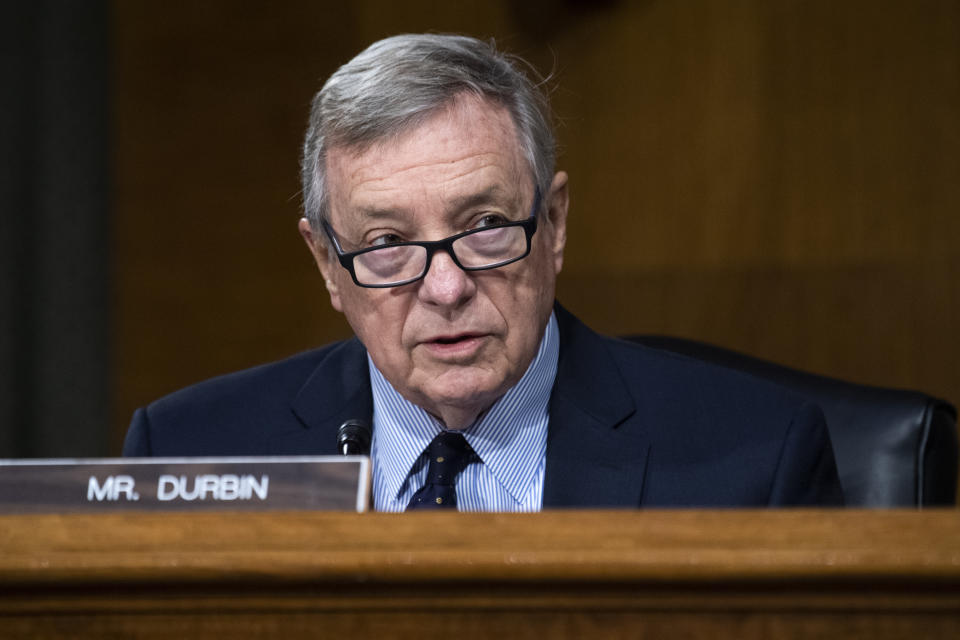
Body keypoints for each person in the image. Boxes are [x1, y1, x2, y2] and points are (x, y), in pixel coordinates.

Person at [123, 34, 844, 510]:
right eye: (386, 242)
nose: (445, 288)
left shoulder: (758, 461)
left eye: (485, 227)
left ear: (553, 224)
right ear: (327, 265)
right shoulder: (187, 453)